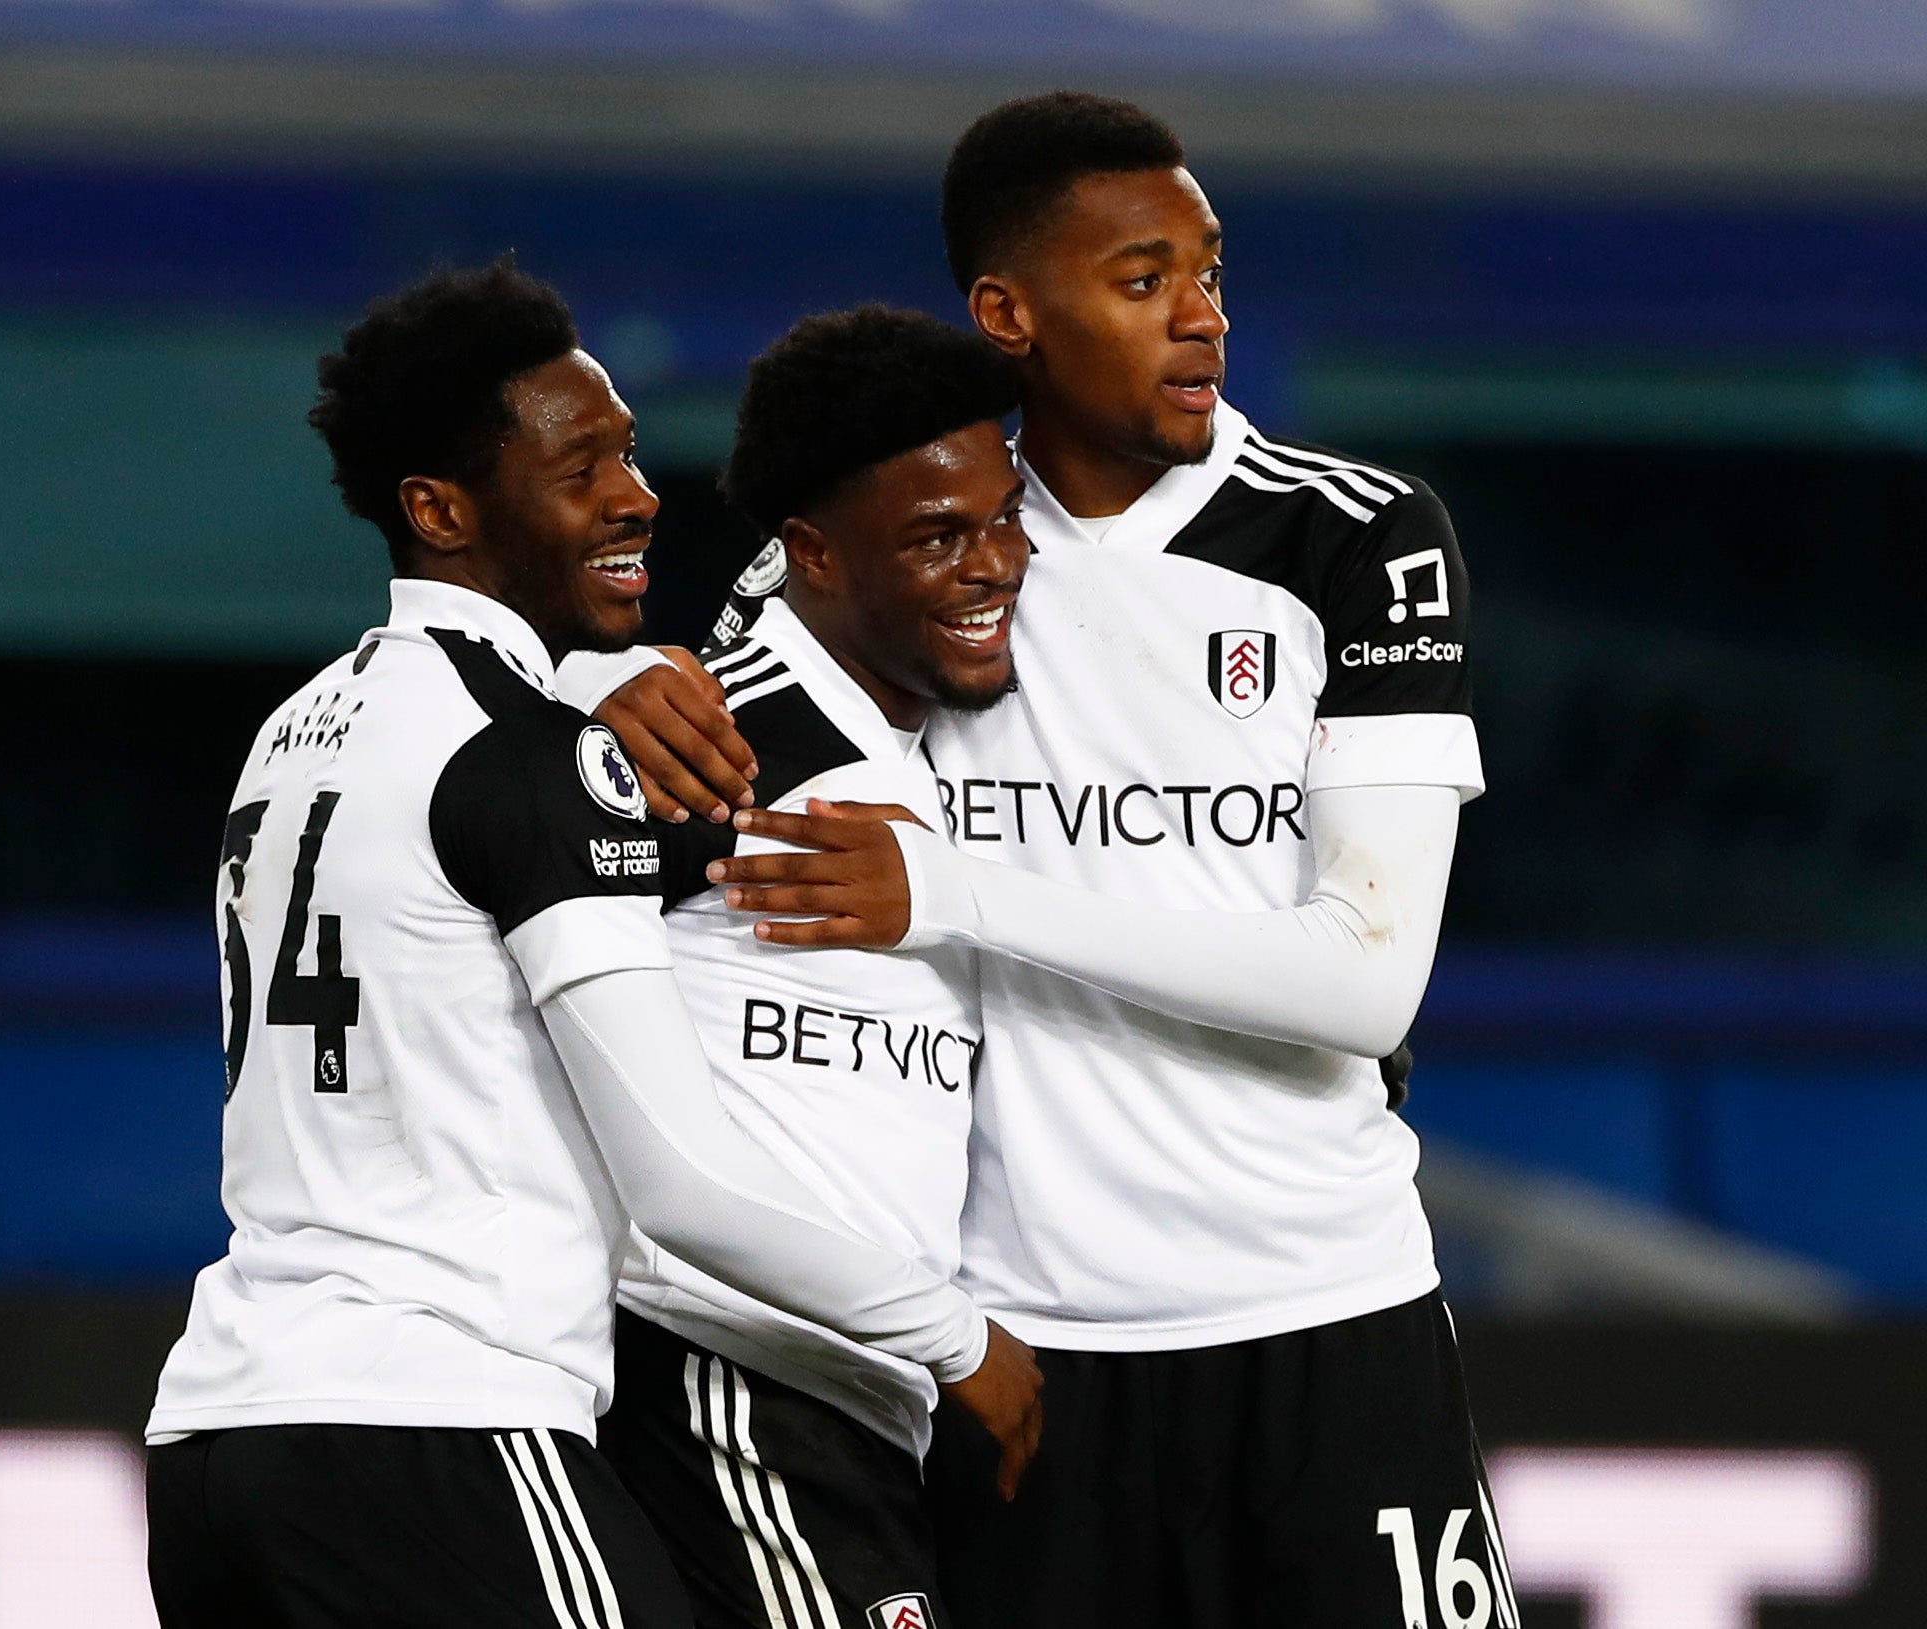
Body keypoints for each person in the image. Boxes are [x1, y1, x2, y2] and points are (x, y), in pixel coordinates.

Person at [580, 96, 1516, 1628]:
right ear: (1008, 314)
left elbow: (1364, 980)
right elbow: (714, 683)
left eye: (1208, 273)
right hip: (1033, 1366)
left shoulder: (1354, 541)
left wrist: (959, 895)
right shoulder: (932, 541)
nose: (1199, 317)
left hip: (1327, 1321)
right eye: (1142, 281)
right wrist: (587, 685)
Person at [142, 259, 1040, 1629]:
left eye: (627, 454)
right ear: (442, 509)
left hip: (222, 1437)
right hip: (445, 1413)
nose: (636, 497)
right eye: (583, 470)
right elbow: (680, 1185)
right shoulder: (549, 762)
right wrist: (959, 1342)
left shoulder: (294, 733)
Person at [597, 305, 1037, 1629]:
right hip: (733, 1375)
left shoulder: (937, 757)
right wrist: (570, 692)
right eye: (935, 538)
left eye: (1003, 519)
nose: (993, 566)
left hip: (854, 1404)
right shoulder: (714, 747)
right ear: (813, 557)